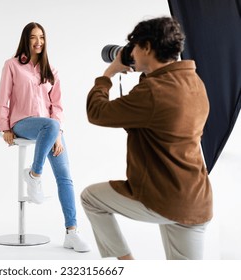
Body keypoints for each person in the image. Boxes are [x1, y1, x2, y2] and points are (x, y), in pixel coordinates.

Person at [81, 16, 212, 260]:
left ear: (148, 47)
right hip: (196, 201)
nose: (133, 53)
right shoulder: (194, 82)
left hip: (163, 198)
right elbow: (156, 122)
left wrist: (109, 74)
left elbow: (96, 112)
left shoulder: (152, 92)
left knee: (91, 198)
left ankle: (125, 266)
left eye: (135, 47)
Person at [0, 22, 90, 252]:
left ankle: (72, 232)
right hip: (23, 123)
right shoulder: (12, 65)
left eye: (42, 37)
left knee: (65, 176)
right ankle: (35, 175)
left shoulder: (51, 71)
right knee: (48, 125)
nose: (38, 42)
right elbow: (1, 100)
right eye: (33, 37)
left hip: (50, 128)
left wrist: (57, 133)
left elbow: (57, 106)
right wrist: (5, 127)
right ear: (25, 40)